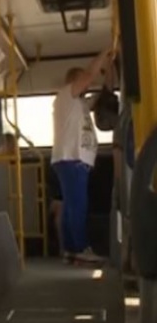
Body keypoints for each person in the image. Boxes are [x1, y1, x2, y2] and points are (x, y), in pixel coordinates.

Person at [51, 48, 114, 264]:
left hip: (75, 160)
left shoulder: (80, 104)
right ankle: (80, 248)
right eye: (82, 81)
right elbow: (88, 75)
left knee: (72, 205)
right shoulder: (66, 95)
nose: (87, 85)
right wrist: (104, 53)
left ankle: (70, 250)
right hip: (72, 159)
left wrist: (110, 68)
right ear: (73, 82)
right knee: (78, 206)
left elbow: (106, 92)